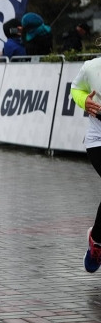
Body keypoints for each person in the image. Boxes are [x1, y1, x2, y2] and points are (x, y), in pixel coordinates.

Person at [69, 55, 101, 271]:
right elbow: (75, 88)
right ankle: (97, 244)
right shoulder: (92, 67)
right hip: (98, 140)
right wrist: (84, 101)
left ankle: (97, 240)